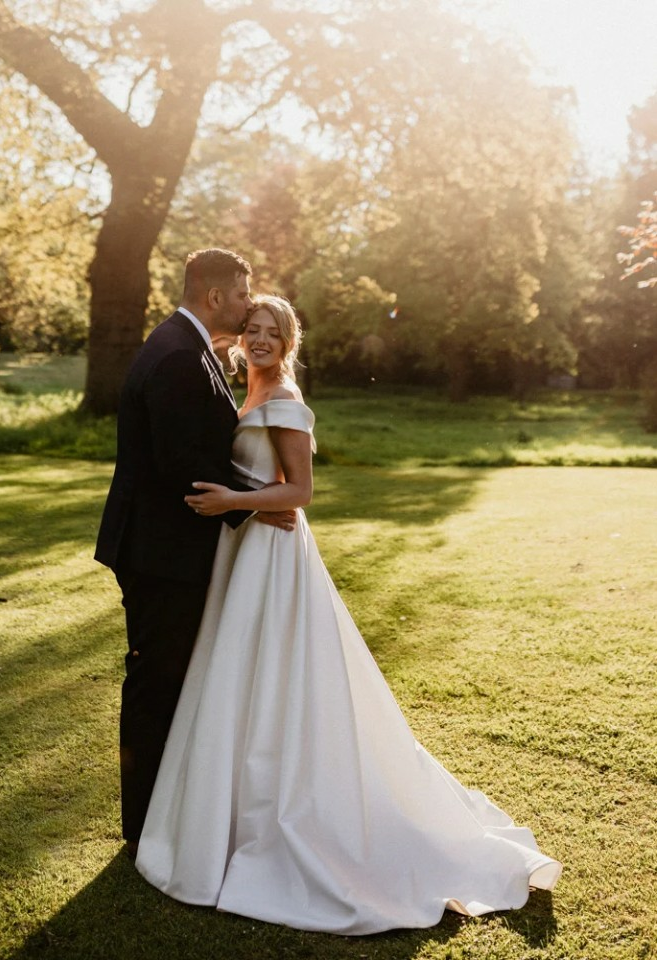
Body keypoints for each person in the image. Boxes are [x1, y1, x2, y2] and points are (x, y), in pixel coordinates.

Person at [135, 295, 562, 935]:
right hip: (248, 544)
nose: (257, 340)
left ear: (288, 341)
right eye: (251, 329)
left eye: (270, 333)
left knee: (274, 678)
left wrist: (232, 500)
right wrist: (243, 500)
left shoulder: (282, 397)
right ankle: (224, 816)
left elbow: (301, 492)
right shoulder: (247, 389)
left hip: (272, 553)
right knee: (236, 679)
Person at [94, 250, 295, 857]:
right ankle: (145, 826)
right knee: (157, 681)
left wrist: (257, 494)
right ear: (214, 296)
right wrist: (258, 501)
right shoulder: (181, 355)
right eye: (242, 295)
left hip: (164, 547)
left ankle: (163, 811)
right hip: (161, 553)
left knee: (170, 678)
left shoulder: (189, 346)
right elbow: (182, 463)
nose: (247, 304)